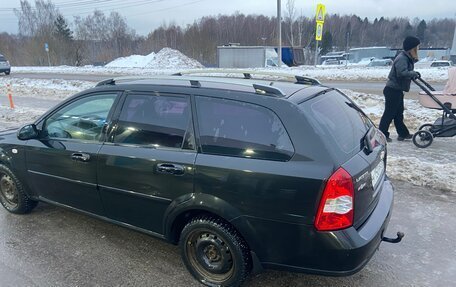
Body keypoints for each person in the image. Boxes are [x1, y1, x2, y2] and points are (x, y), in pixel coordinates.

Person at [379, 36, 421, 142]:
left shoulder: (406, 57)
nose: (418, 49)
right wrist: (413, 73)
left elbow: (405, 69)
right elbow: (401, 73)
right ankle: (382, 135)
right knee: (389, 114)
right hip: (392, 90)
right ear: (412, 48)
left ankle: (403, 133)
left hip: (397, 90)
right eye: (416, 47)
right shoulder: (402, 58)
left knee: (398, 113)